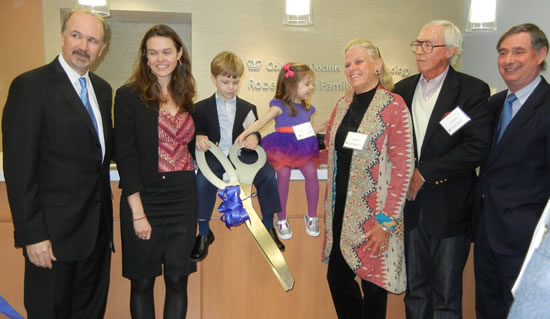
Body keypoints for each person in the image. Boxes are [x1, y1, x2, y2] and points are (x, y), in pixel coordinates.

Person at [2, 9, 113, 319]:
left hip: (95, 239)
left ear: (101, 49)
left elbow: (99, 159)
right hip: (50, 241)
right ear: (63, 37)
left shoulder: (103, 91)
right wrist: (32, 235)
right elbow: (20, 169)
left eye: (93, 40)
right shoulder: (30, 87)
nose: (84, 46)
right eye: (77, 36)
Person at [392, 20, 491, 319]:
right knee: (416, 292)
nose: (419, 51)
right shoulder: (402, 89)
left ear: (450, 51)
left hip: (450, 208)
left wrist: (425, 173)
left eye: (427, 45)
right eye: (417, 44)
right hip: (410, 210)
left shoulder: (471, 91)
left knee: (446, 295)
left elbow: (476, 147)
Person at [322, 39, 414, 319]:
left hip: (376, 216)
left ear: (377, 65)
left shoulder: (393, 105)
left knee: (373, 288)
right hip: (341, 212)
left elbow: (403, 166)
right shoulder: (343, 103)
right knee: (337, 278)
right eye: (348, 63)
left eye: (359, 61)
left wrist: (386, 221)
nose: (352, 68)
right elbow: (330, 142)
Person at [113, 24, 197, 318]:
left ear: (179, 54)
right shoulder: (128, 96)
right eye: (153, 53)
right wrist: (138, 213)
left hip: (182, 198)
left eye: (166, 52)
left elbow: (195, 140)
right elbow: (125, 155)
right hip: (144, 198)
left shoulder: (187, 95)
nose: (160, 59)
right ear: (145, 58)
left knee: (177, 279)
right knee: (143, 281)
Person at [473, 23, 550, 319]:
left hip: (527, 237)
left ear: (540, 54)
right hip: (486, 232)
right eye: (503, 52)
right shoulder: (493, 105)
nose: (508, 60)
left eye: (518, 51)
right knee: (488, 309)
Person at [191, 51, 285, 261]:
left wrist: (253, 136)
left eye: (235, 82)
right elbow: (195, 130)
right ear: (213, 79)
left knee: (268, 175)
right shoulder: (200, 108)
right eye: (226, 82)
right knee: (202, 180)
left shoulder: (247, 108)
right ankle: (204, 232)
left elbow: (255, 129)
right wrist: (199, 136)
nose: (231, 87)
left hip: (241, 156)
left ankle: (269, 226)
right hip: (215, 157)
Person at [236, 63, 327, 240]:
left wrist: (325, 124)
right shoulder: (279, 106)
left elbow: (307, 129)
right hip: (282, 149)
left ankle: (311, 215)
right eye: (307, 84)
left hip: (302, 148)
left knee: (311, 172)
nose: (311, 88)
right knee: (283, 174)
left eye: (311, 84)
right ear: (292, 86)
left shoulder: (307, 109)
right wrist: (245, 133)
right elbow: (261, 122)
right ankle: (282, 218)